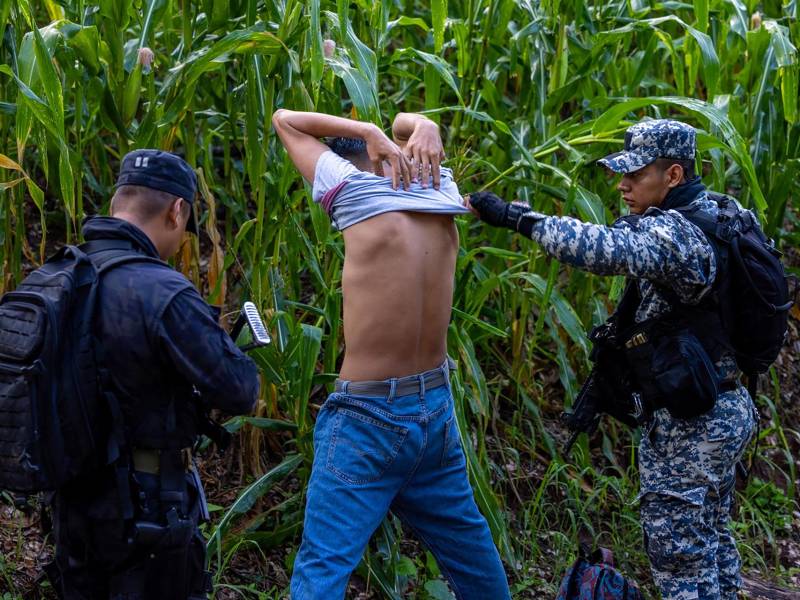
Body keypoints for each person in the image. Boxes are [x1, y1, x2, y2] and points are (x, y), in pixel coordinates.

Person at [468, 119, 756, 600]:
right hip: (726, 408)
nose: (623, 184)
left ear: (674, 176)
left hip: (693, 426)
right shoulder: (724, 214)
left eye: (636, 174)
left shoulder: (678, 235)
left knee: (681, 564)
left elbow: (602, 250)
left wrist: (515, 217)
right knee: (712, 545)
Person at [271, 109, 511, 600]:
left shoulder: (353, 189)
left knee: (323, 568)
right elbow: (410, 127)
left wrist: (364, 132)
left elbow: (285, 122)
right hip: (436, 408)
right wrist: (423, 124)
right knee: (474, 559)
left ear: (346, 165)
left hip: (368, 416)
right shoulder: (436, 184)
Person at [45, 150, 260, 600]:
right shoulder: (162, 290)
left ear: (116, 204)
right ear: (176, 211)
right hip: (148, 509)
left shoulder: (56, 275)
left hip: (70, 503)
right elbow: (240, 390)